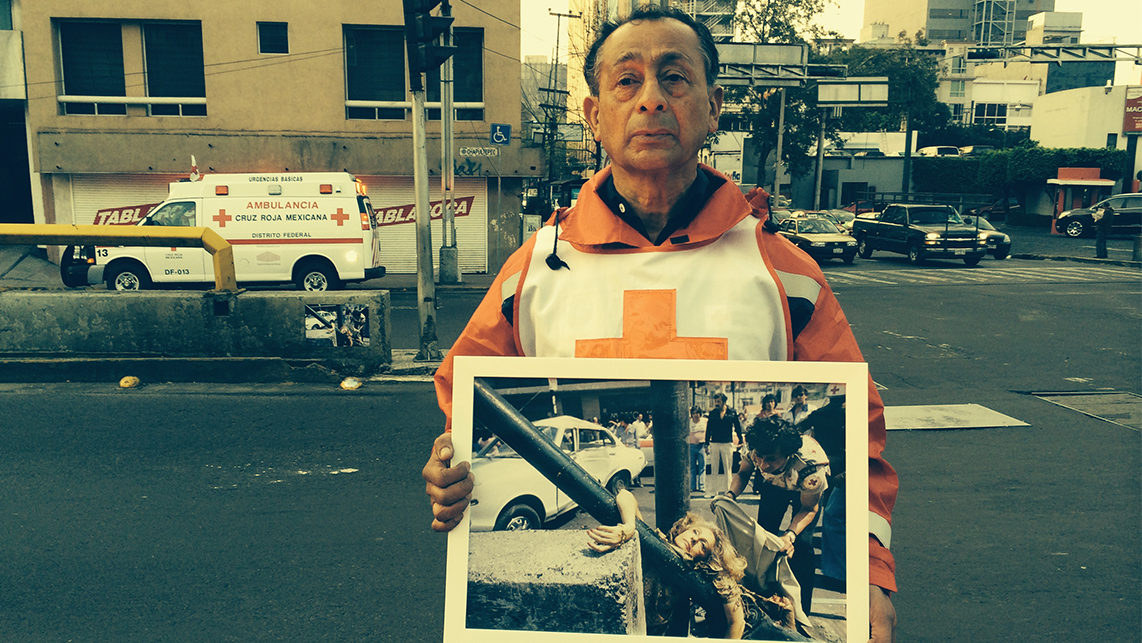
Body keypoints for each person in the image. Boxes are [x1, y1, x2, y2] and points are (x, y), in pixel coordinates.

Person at [422, 7, 897, 639]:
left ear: (713, 107)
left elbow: (860, 440)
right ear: (594, 116)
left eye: (674, 77)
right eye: (627, 81)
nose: (651, 99)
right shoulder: (531, 271)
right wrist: (450, 468)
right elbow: (463, 400)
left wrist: (872, 579)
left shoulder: (785, 273)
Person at [589, 489, 805, 640]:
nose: (694, 540)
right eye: (695, 532)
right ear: (684, 529)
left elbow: (737, 622)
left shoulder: (704, 572)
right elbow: (625, 495)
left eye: (703, 545)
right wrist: (629, 527)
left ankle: (789, 622)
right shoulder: (655, 543)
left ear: (705, 558)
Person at [728, 417, 828, 614]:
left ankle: (801, 610)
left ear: (789, 455)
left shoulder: (811, 466)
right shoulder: (754, 448)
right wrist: (729, 496)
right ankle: (766, 598)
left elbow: (809, 509)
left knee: (801, 545)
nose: (763, 465)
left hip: (803, 486)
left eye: (771, 459)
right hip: (775, 484)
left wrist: (790, 535)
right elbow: (743, 474)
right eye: (760, 457)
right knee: (763, 538)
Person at [705, 393, 742, 495]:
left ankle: (728, 491)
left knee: (728, 468)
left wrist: (740, 440)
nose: (716, 403)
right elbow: (708, 429)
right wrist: (706, 443)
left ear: (724, 402)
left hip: (727, 443)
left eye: (718, 401)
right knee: (714, 468)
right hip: (715, 443)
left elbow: (737, 427)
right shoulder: (713, 413)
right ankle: (713, 491)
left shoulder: (732, 412)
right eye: (715, 401)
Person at [688, 406, 708, 494]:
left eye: (697, 413)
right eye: (694, 413)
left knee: (702, 467)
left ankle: (702, 486)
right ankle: (692, 486)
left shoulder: (705, 421)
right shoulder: (688, 422)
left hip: (701, 446)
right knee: (692, 467)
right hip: (691, 446)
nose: (696, 415)